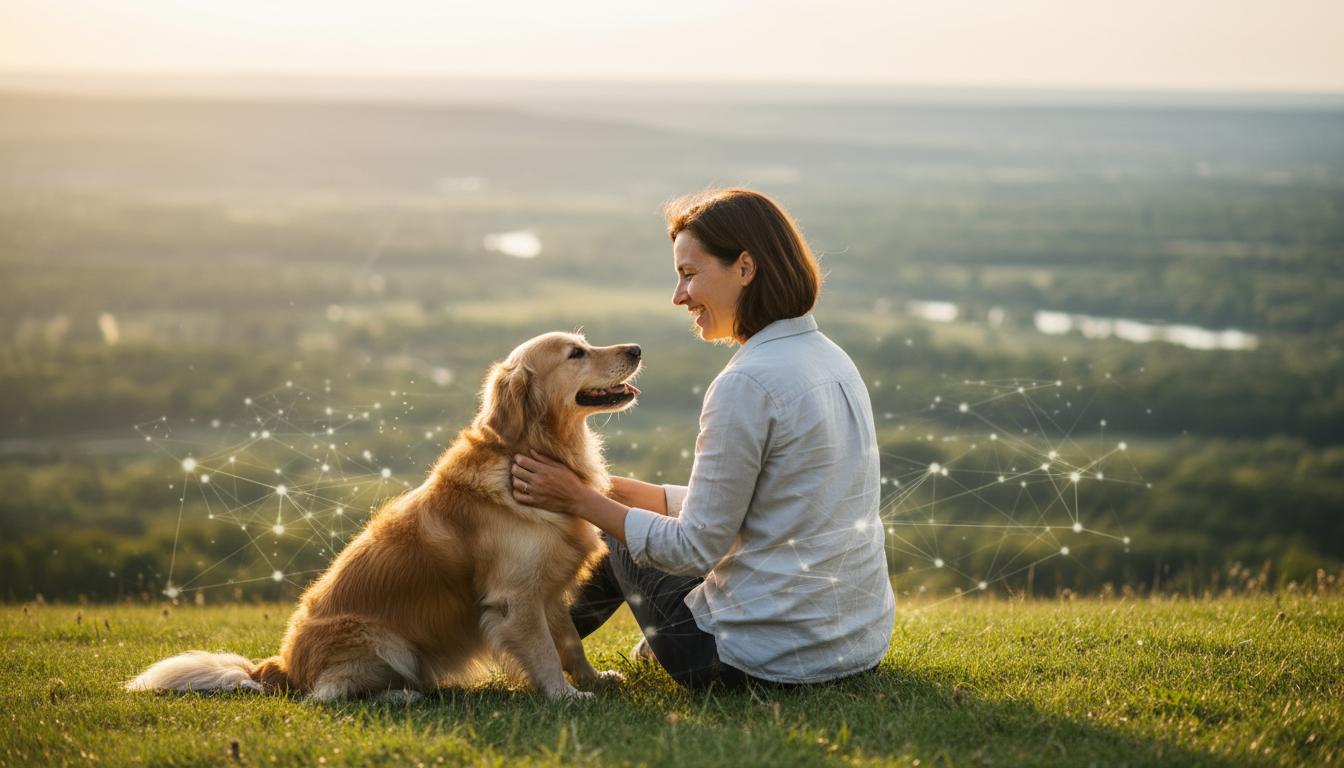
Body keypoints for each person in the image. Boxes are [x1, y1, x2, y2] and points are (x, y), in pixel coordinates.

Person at [510, 188, 894, 689]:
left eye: (690, 275)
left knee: (608, 529)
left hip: (750, 662)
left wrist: (580, 498)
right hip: (851, 647)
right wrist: (608, 488)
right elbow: (773, 503)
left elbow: (693, 548)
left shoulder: (745, 384)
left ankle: (519, 648)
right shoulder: (831, 359)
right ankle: (539, 646)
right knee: (611, 510)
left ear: (745, 268)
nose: (679, 296)